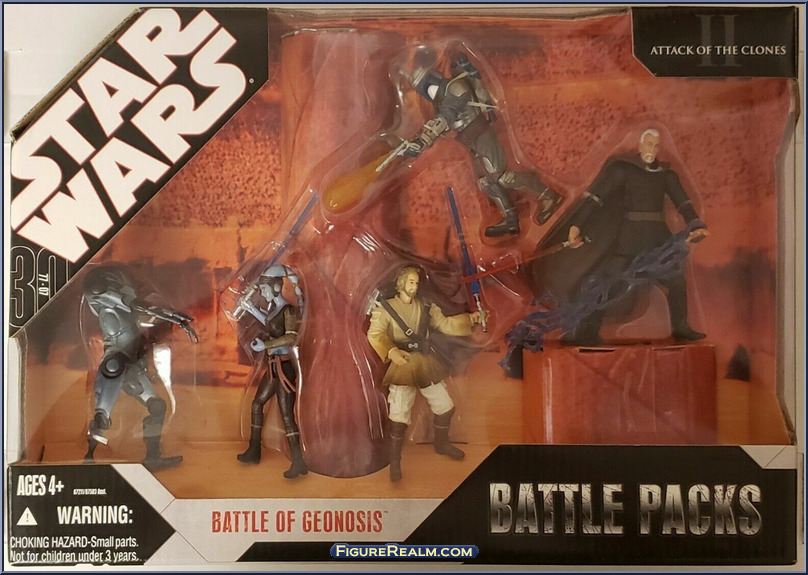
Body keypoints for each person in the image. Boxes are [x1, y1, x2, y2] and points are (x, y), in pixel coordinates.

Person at [564, 128, 710, 345]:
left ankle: (680, 328)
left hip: (658, 240)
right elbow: (595, 198)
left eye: (656, 146)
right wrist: (577, 225)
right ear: (640, 145)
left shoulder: (666, 175)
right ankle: (586, 333)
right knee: (605, 284)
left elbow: (683, 203)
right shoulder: (623, 170)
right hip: (629, 240)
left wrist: (695, 225)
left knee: (677, 281)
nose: (652, 149)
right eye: (648, 144)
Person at [401, 48, 563, 238]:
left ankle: (549, 196)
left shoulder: (455, 87)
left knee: (502, 177)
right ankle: (510, 219)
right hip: (470, 141)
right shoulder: (440, 98)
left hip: (482, 134)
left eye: (423, 86)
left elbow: (447, 115)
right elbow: (445, 123)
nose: (424, 92)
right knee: (485, 183)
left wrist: (423, 139)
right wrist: (419, 142)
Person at [367, 266, 486, 482]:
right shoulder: (385, 309)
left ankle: (441, 444)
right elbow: (375, 334)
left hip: (425, 361)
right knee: (399, 414)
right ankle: (394, 461)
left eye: (416, 282)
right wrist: (391, 351)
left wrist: (471, 319)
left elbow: (446, 324)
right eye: (410, 282)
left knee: (445, 406)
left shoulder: (426, 307)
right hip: (402, 363)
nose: (414, 286)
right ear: (401, 284)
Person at [82, 265, 197, 471]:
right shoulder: (101, 294)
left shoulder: (122, 304)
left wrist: (168, 317)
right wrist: (169, 314)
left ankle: (152, 457)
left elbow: (139, 309)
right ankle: (87, 460)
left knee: (157, 407)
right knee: (102, 417)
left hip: (130, 364)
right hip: (116, 362)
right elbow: (134, 303)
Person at [235, 265, 308, 479]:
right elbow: (268, 322)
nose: (263, 294)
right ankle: (254, 450)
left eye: (265, 290)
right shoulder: (275, 311)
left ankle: (298, 461)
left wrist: (265, 346)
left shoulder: (289, 311)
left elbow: (291, 337)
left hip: (284, 368)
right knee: (257, 403)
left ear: (276, 288)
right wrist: (250, 308)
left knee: (287, 415)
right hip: (273, 367)